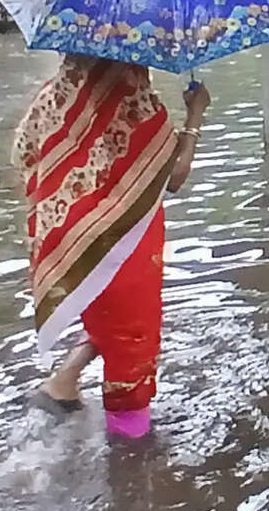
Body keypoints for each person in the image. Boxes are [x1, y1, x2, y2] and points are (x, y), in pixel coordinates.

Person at [15, 57, 211, 439]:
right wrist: (195, 115)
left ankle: (63, 384)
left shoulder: (52, 98)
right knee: (132, 338)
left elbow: (23, 156)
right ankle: (130, 447)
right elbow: (174, 178)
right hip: (124, 239)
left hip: (71, 241)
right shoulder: (134, 105)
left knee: (105, 314)